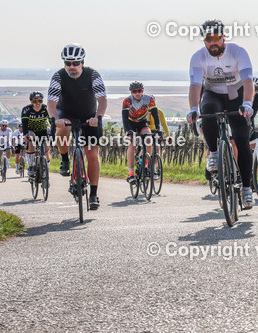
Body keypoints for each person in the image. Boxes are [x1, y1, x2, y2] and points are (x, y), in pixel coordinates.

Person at [186, 19, 255, 210]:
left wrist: (248, 104)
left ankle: (247, 190)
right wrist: (193, 108)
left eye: (217, 37)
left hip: (236, 95)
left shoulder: (238, 52)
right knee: (206, 111)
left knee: (242, 141)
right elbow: (195, 86)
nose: (213, 42)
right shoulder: (198, 57)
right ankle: (214, 154)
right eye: (209, 38)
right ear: (204, 40)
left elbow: (248, 82)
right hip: (213, 94)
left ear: (224, 37)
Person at [47, 44, 108, 210]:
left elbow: (102, 100)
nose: (72, 66)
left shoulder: (92, 74)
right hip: (65, 112)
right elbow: (51, 104)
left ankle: (94, 194)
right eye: (68, 63)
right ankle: (65, 160)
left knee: (92, 153)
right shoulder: (58, 76)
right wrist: (56, 119)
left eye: (75, 63)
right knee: (63, 128)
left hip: (89, 116)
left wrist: (98, 117)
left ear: (82, 62)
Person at [122, 81, 161, 184]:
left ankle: (144, 165)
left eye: (139, 91)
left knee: (149, 141)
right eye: (134, 91)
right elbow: (125, 118)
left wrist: (158, 129)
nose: (137, 93)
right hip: (130, 123)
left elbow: (155, 114)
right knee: (133, 144)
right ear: (131, 92)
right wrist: (128, 131)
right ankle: (131, 174)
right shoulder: (127, 101)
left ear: (143, 91)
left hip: (142, 122)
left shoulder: (149, 99)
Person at [21, 92, 53, 182]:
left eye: (40, 101)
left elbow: (52, 122)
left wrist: (54, 133)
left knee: (46, 148)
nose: (38, 103)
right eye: (35, 101)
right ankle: (31, 165)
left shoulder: (46, 108)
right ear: (31, 102)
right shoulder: (26, 110)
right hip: (31, 131)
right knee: (31, 138)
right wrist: (26, 135)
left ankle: (46, 169)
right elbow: (24, 124)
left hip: (43, 131)